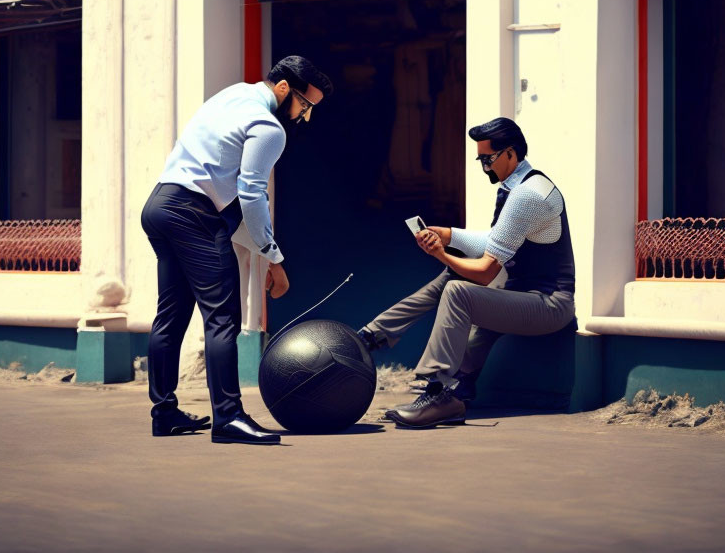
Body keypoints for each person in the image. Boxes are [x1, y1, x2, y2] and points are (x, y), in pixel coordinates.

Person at [141, 56, 333, 443]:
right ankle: (228, 417)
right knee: (223, 318)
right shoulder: (269, 127)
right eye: (305, 106)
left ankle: (164, 414)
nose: (303, 117)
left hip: (160, 205)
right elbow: (250, 194)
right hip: (193, 214)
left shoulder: (232, 96)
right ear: (284, 90)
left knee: (171, 318)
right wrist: (274, 257)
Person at [361, 117, 576, 428]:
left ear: (510, 154)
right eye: (480, 160)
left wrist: (441, 253)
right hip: (521, 297)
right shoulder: (519, 185)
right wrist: (448, 236)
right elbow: (495, 240)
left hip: (549, 306)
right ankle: (372, 337)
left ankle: (437, 392)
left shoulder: (527, 196)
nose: (485, 167)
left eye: (488, 159)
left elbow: (486, 271)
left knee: (458, 290)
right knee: (451, 278)